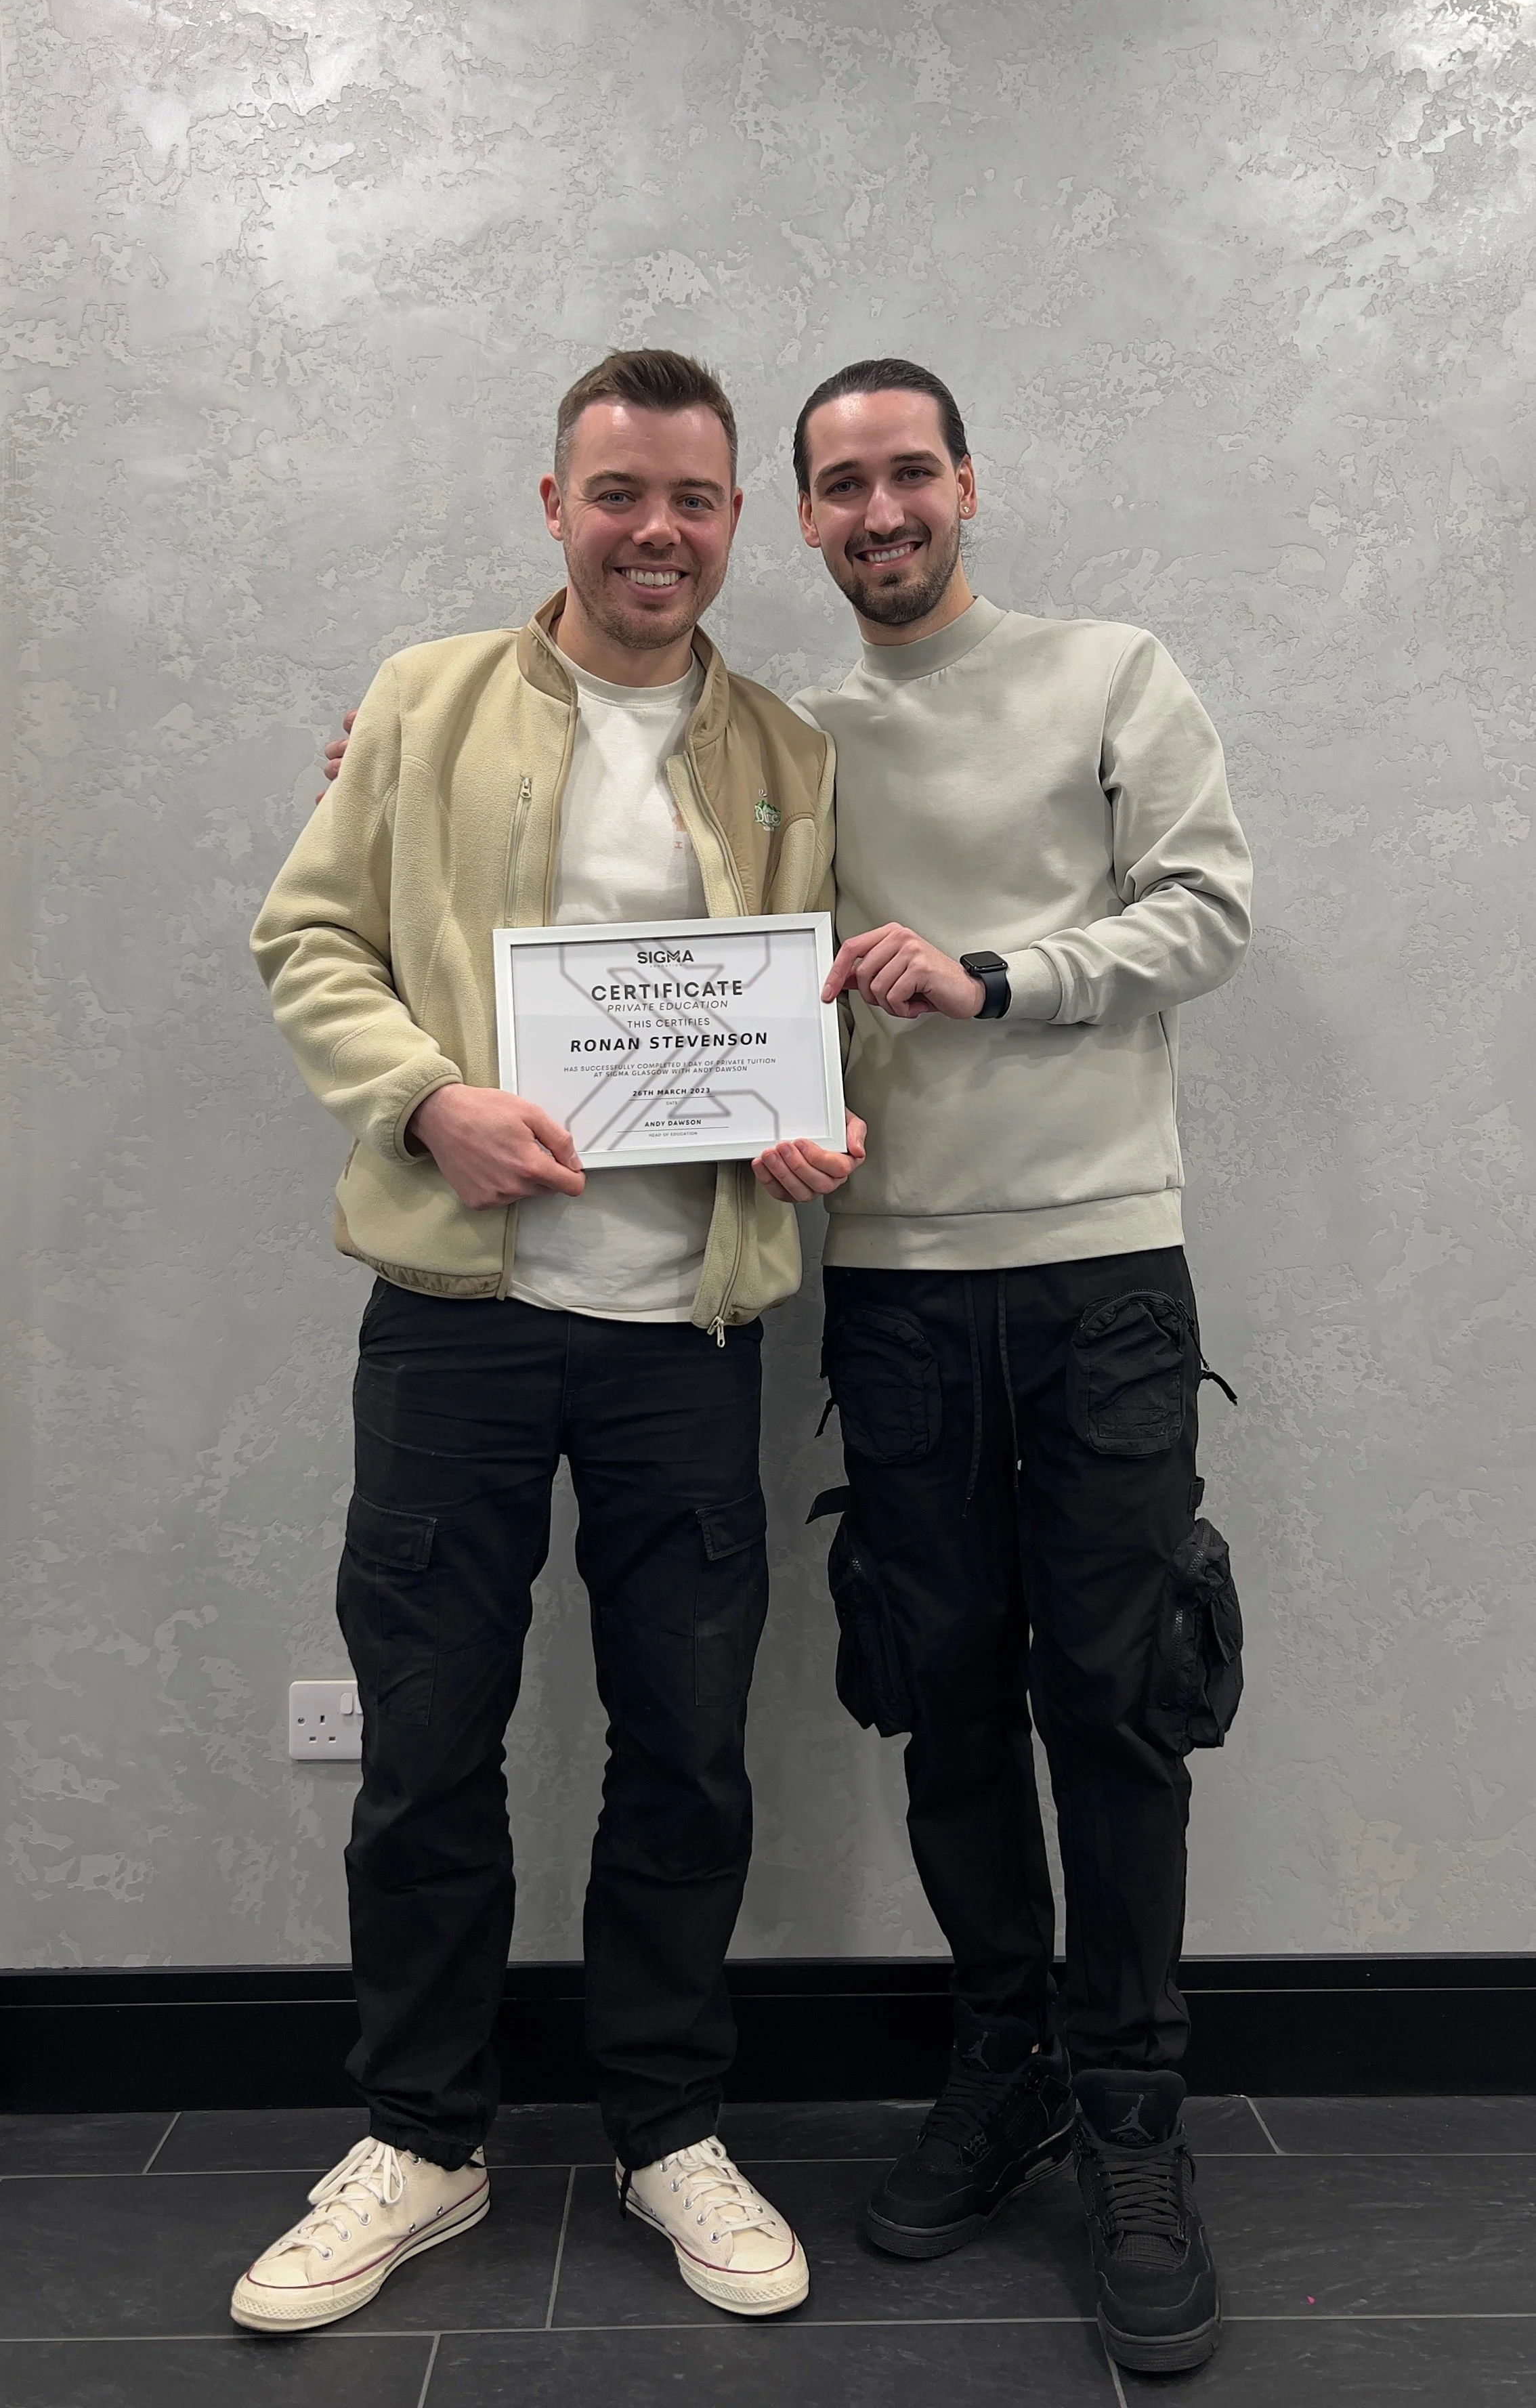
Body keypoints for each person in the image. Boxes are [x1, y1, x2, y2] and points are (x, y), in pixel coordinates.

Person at [237, 347, 865, 2336]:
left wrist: (810, 1115)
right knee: (424, 1752)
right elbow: (307, 940)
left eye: (690, 500)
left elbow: (802, 1003)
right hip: (455, 1322)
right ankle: (420, 2139)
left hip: (689, 1328)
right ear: (555, 504)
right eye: (618, 495)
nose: (655, 533)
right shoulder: (421, 706)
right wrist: (431, 1101)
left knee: (686, 1751)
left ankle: (669, 2122)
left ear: (731, 524)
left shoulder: (784, 748)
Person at [765, 356, 1252, 2378]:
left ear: (965, 483)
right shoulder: (782, 741)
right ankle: (1004, 2064)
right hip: (884, 1275)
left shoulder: (1111, 671)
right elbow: (628, 899)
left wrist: (997, 976)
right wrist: (397, 765)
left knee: (1115, 1703)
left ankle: (1133, 2110)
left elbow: (1210, 908)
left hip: (1097, 1272)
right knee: (944, 1701)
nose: (877, 512)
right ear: (801, 522)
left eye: (906, 474)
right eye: (837, 488)